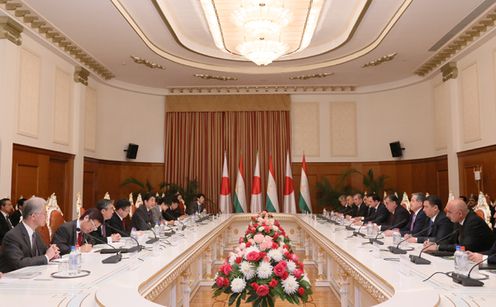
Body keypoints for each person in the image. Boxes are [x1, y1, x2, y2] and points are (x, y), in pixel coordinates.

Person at [0, 197, 60, 273]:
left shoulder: (35, 233)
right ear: (33, 216)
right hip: (12, 279)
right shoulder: (12, 236)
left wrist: (52, 253)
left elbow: (44, 252)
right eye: (44, 213)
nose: (46, 217)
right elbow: (19, 263)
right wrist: (47, 257)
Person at [423, 199, 495, 253]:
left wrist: (438, 247)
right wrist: (435, 244)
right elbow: (450, 240)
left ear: (460, 214)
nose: (447, 215)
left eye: (449, 212)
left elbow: (464, 247)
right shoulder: (459, 220)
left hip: (482, 258)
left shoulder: (473, 222)